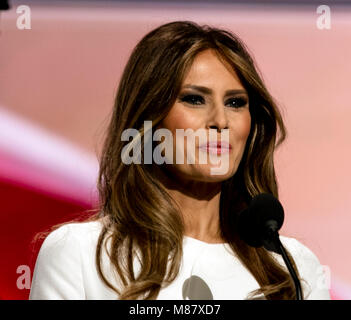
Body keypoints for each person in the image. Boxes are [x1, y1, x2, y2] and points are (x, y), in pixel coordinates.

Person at [29, 20, 330, 300]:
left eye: (236, 103)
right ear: (149, 120)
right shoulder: (79, 254)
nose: (220, 121)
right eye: (194, 99)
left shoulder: (294, 267)